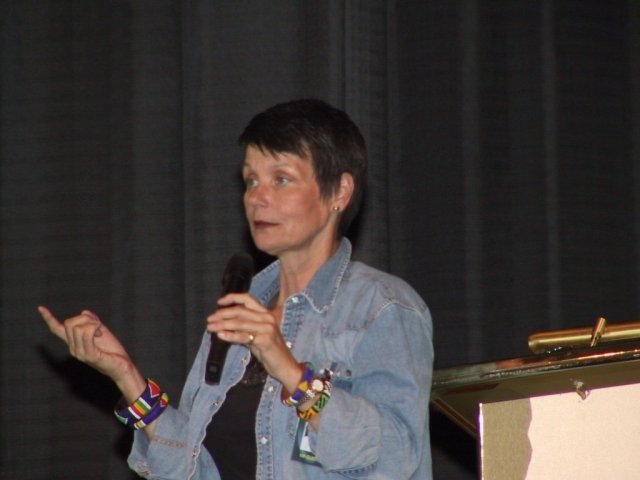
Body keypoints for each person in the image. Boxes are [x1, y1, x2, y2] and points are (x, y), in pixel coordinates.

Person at [39, 98, 434, 479]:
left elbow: (397, 459)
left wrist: (294, 375)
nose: (257, 197)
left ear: (340, 192)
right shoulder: (238, 313)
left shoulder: (382, 308)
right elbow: (191, 469)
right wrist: (127, 377)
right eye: (251, 180)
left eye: (281, 179)